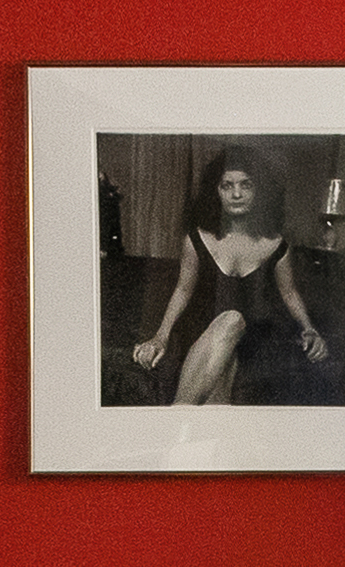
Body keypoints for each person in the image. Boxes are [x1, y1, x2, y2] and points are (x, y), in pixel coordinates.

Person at [131, 147, 329, 405]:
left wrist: (310, 329)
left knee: (232, 332)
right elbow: (182, 291)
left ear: (259, 191)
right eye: (227, 186)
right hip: (203, 338)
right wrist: (161, 337)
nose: (237, 194)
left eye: (246, 185)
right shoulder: (197, 239)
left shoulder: (277, 244)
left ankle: (177, 421)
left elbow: (290, 293)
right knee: (229, 330)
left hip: (253, 344)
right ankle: (183, 420)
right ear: (216, 191)